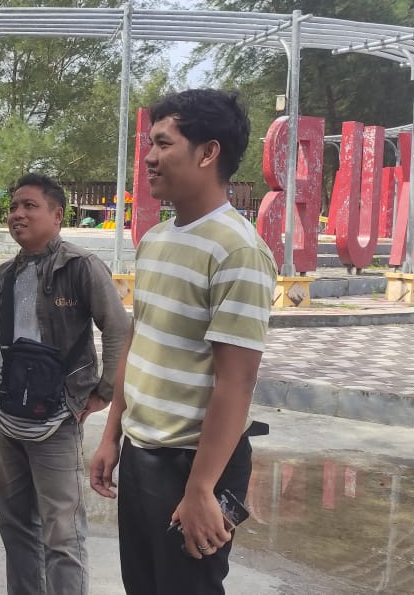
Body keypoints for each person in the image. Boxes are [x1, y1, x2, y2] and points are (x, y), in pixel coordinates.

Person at [89, 89, 276, 594]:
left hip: (196, 463)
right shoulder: (155, 242)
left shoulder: (238, 250)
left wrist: (201, 490)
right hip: (142, 452)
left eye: (163, 143)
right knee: (143, 586)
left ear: (208, 152)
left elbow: (235, 384)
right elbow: (137, 342)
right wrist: (112, 435)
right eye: (150, 143)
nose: (149, 157)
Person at [0, 173, 131, 595]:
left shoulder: (80, 267)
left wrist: (104, 391)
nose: (17, 214)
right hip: (8, 417)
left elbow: (118, 328)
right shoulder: (7, 273)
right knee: (16, 522)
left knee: (62, 531)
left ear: (57, 215)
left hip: (57, 419)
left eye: (30, 206)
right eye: (13, 207)